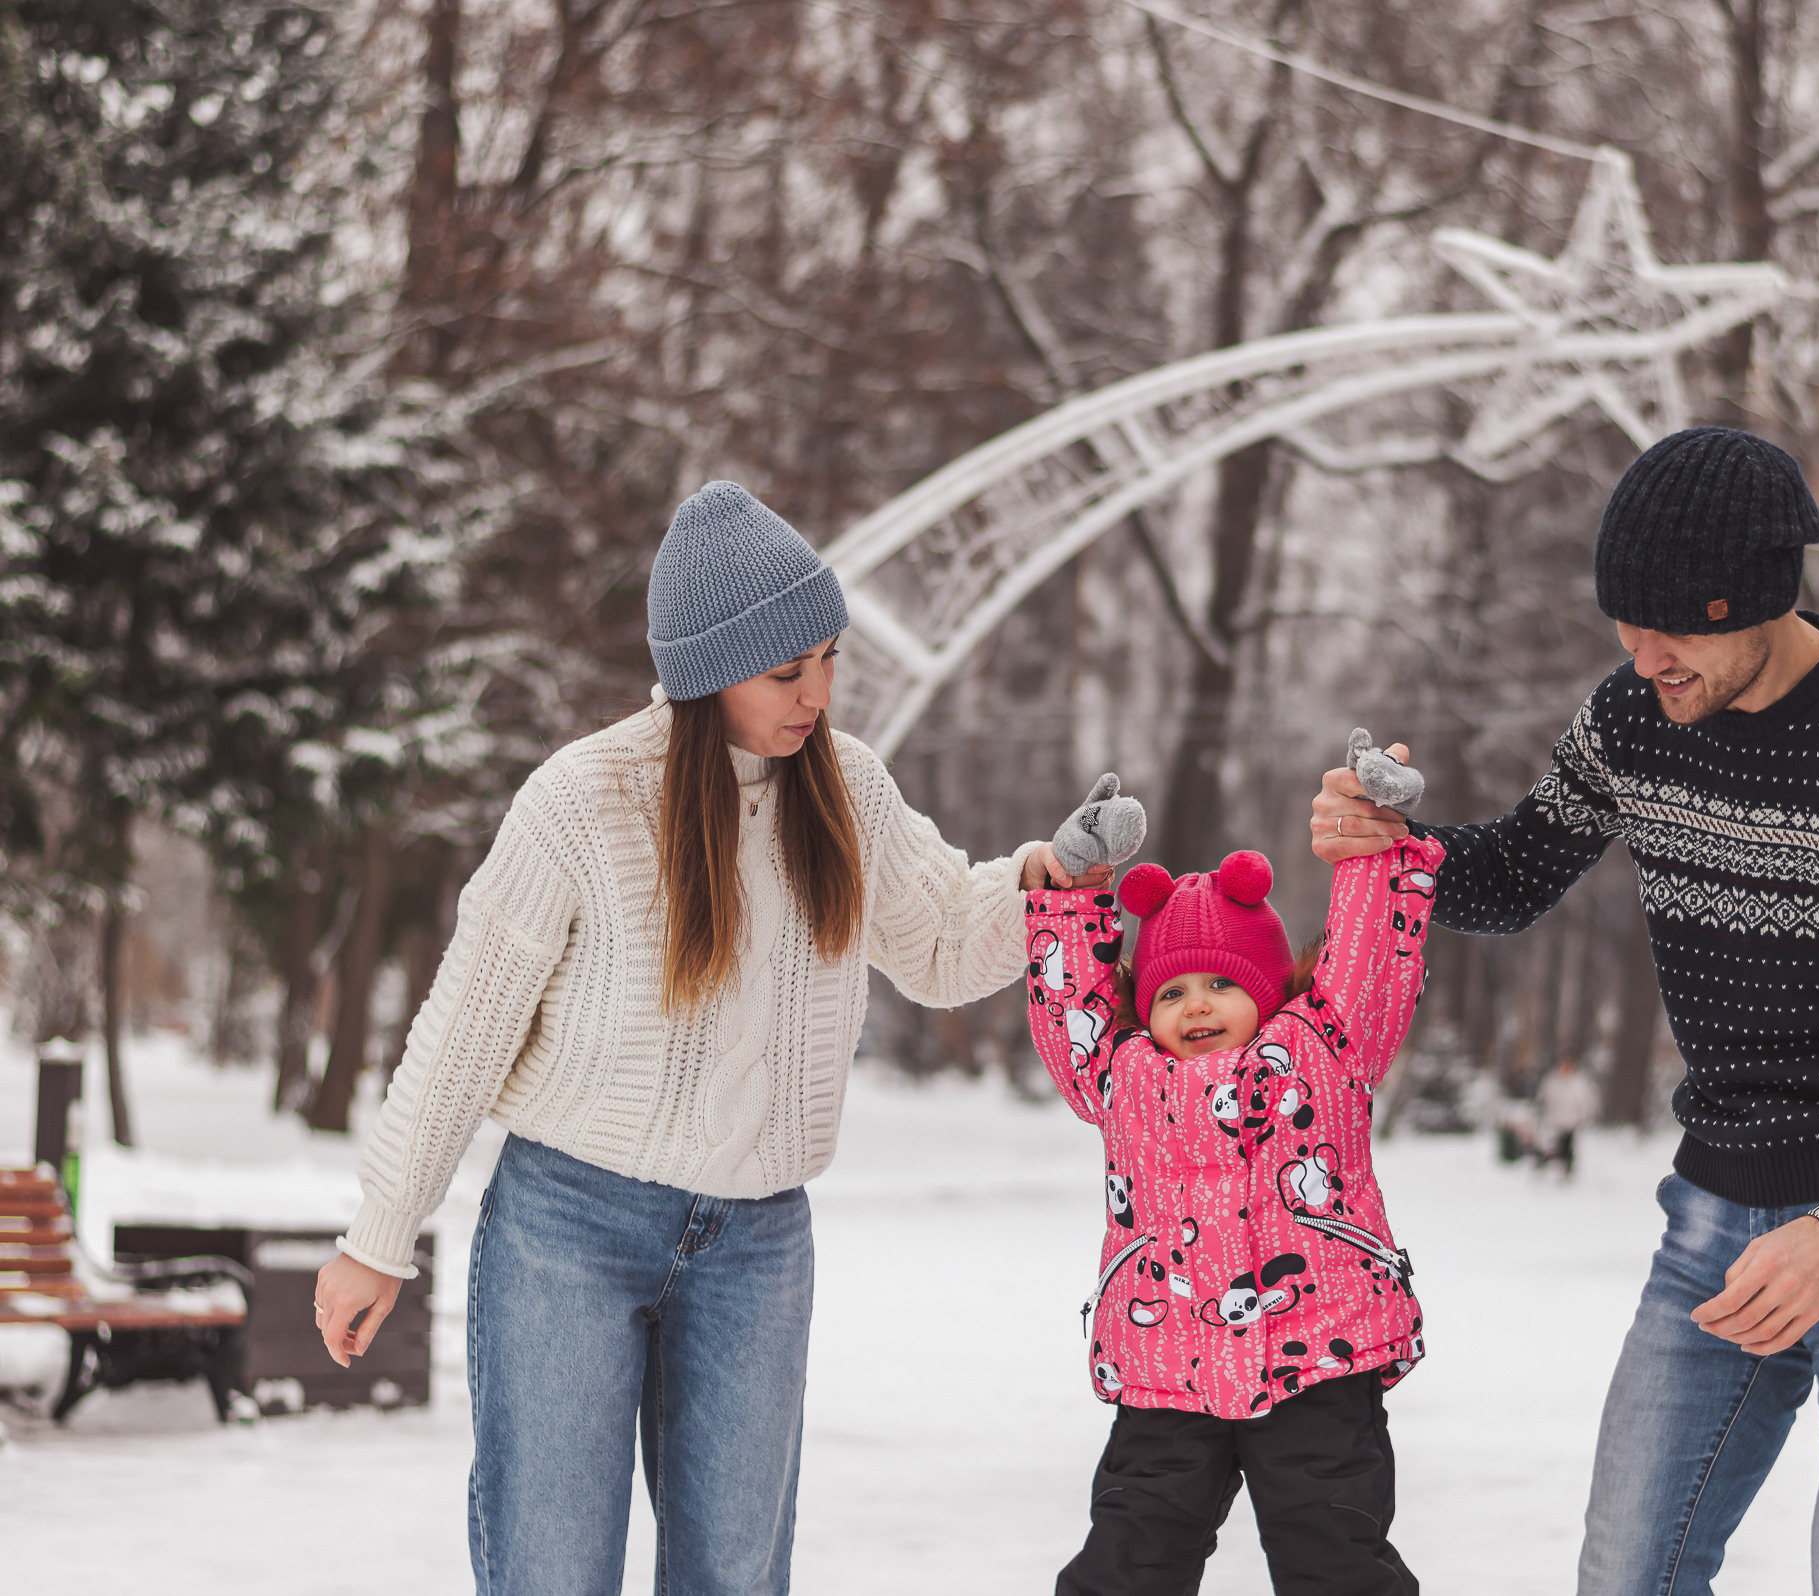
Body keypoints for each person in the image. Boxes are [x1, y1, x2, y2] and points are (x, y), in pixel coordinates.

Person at [308, 481, 1109, 1596]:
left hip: (756, 1243)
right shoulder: (580, 802)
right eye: (789, 672)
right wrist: (378, 1235)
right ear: (703, 672)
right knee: (552, 1568)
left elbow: (937, 945)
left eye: (828, 661)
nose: (819, 695)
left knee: (735, 1575)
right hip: (567, 1228)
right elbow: (464, 1031)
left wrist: (1044, 883)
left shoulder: (845, 791)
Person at [1311, 427, 1819, 1596]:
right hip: (1714, 1219)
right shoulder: (1630, 716)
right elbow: (1511, 875)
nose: (1645, 652)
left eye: (1676, 625)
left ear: (1762, 595)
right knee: (1628, 1576)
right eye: (1628, 621)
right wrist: (1395, 852)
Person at [1024, 813, 1445, 1596]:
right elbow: (1069, 1009)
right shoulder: (1121, 1076)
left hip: (1317, 1354)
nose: (1196, 1006)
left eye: (1221, 983)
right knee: (1129, 1559)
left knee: (1334, 1557)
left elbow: (1367, 957)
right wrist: (1076, 896)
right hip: (1165, 1369)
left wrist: (1376, 850)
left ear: (1270, 986)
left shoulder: (1322, 1048)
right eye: (1172, 991)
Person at [1536, 1056, 1602, 1178]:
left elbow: (1586, 1100)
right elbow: (1543, 1097)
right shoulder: (1552, 1081)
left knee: (1568, 1146)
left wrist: (1585, 1115)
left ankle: (1567, 1169)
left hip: (1572, 1120)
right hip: (1555, 1120)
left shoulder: (1578, 1082)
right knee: (1555, 1145)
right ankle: (1551, 1166)